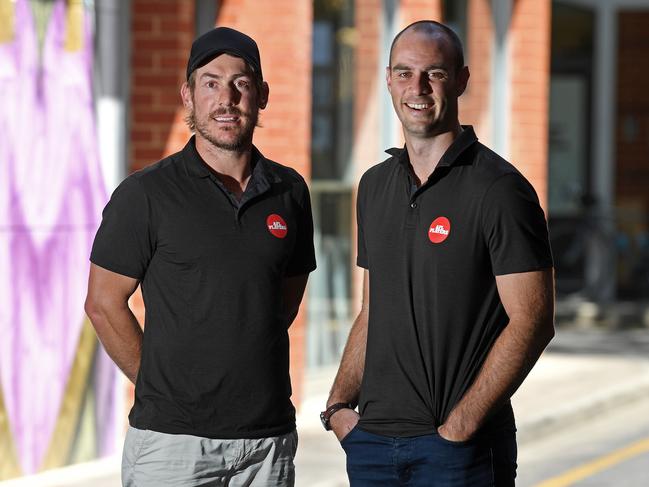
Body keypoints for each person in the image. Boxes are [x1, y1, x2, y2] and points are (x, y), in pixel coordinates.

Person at [322, 20, 555, 486]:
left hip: (456, 452)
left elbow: (533, 319)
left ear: (462, 80)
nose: (418, 88)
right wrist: (337, 406)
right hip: (371, 445)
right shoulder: (373, 186)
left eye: (436, 73)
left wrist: (461, 425)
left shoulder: (500, 189)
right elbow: (373, 310)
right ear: (388, 80)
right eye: (405, 73)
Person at [85, 27, 316, 486]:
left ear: (262, 95)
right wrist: (163, 382)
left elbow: (281, 303)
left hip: (267, 441)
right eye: (210, 83)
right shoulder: (145, 194)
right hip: (173, 444)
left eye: (241, 83)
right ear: (187, 95)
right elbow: (103, 303)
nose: (226, 98)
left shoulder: (290, 191)